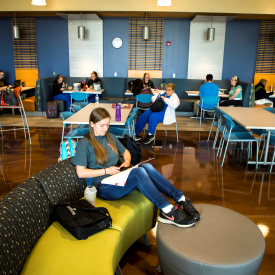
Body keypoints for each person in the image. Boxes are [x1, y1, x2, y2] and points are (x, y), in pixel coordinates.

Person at [71, 107, 200, 228]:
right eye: (102, 126)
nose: (105, 129)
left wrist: (127, 162)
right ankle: (167, 210)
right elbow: (80, 173)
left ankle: (180, 199)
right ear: (92, 124)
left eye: (107, 125)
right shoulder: (85, 144)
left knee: (147, 166)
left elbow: (126, 153)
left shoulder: (110, 137)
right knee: (139, 172)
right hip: (101, 186)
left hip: (115, 177)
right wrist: (107, 171)